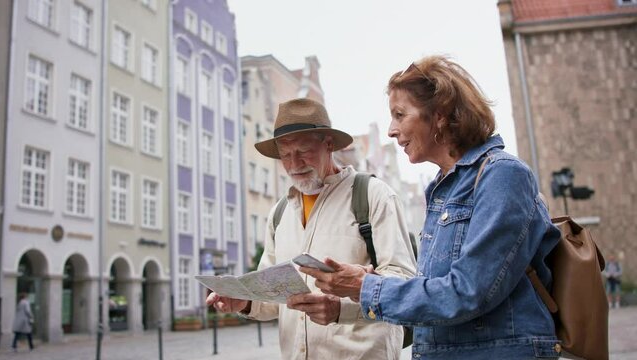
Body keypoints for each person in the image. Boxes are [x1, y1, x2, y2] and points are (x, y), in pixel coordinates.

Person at [300, 56, 564, 359]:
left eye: (400, 114)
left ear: (439, 115)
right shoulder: (443, 188)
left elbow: (468, 292)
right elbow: (433, 291)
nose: (391, 129)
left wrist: (365, 287)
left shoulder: (502, 175)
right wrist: (358, 291)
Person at [206, 98, 416, 359]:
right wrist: (245, 302)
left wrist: (342, 308)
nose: (294, 164)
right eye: (285, 155)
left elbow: (406, 285)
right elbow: (272, 296)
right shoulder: (279, 214)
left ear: (328, 144)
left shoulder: (373, 196)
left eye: (303, 150)